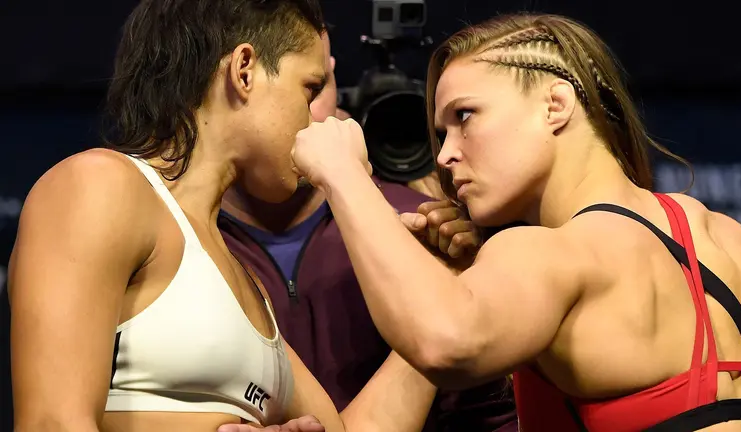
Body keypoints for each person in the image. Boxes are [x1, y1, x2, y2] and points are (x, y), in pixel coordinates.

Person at [287, 13, 741, 431]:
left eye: (466, 116)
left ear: (556, 105)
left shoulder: (551, 253)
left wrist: (342, 174)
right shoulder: (731, 240)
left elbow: (443, 343)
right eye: (442, 132)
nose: (448, 153)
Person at [7, 1, 440, 431]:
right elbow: (51, 422)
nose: (315, 119)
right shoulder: (101, 184)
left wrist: (440, 288)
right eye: (309, 89)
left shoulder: (243, 280)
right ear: (245, 70)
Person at [219, 31, 518, 432]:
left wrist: (454, 288)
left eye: (317, 86)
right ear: (238, 81)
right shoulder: (173, 238)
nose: (308, 112)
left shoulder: (425, 223)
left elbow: (490, 417)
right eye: (303, 86)